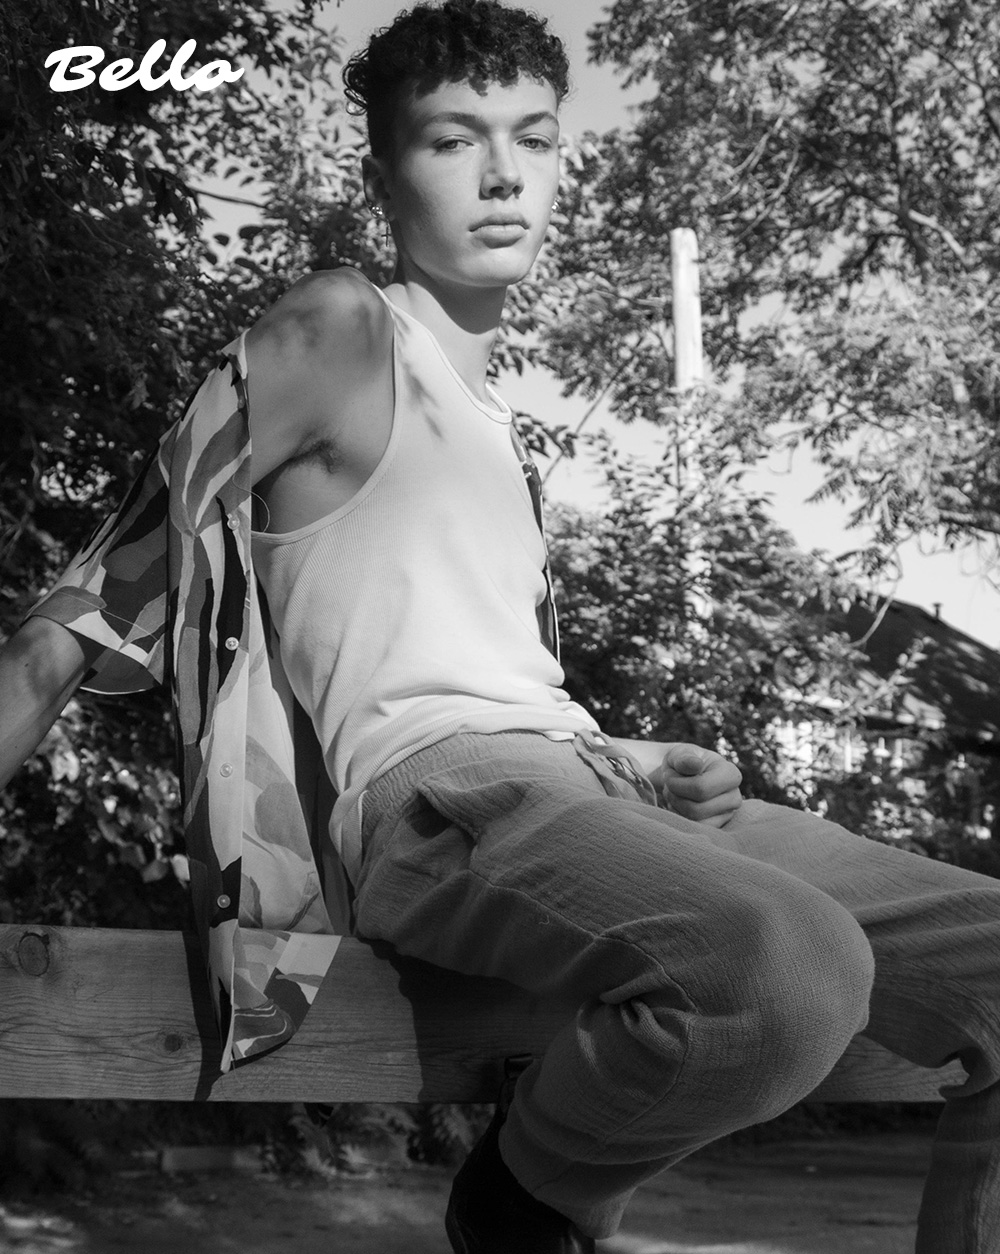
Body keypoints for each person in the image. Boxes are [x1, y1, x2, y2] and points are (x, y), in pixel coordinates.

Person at [3, 2, 1000, 1251]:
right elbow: (85, 610)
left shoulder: (500, 440)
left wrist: (634, 756)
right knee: (785, 967)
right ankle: (523, 1201)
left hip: (588, 787)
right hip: (440, 802)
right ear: (383, 176)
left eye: (532, 137)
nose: (501, 173)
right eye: (451, 139)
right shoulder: (343, 330)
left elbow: (476, 671)